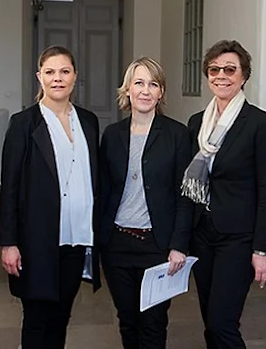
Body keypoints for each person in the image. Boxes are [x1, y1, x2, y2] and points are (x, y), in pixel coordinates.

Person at [0, 45, 101, 349]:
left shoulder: (89, 121)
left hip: (76, 238)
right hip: (36, 241)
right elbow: (10, 187)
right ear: (39, 77)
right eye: (50, 72)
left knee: (61, 317)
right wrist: (9, 242)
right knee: (36, 319)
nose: (58, 78)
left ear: (75, 77)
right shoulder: (23, 124)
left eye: (65, 71)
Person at [182, 40, 266, 349]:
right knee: (210, 323)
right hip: (203, 235)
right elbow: (188, 188)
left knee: (223, 324)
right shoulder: (197, 123)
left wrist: (261, 249)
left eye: (229, 69)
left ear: (243, 76)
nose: (221, 75)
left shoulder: (260, 124)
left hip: (237, 238)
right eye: (214, 69)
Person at [99, 57, 193, 349]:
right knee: (127, 320)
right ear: (127, 89)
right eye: (138, 83)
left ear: (161, 92)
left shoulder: (178, 135)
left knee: (153, 324)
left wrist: (179, 244)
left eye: (153, 84)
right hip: (117, 245)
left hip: (157, 246)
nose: (145, 90)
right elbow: (102, 192)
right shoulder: (112, 135)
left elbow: (186, 195)